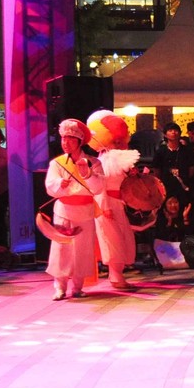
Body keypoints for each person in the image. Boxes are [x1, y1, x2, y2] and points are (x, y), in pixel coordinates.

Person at [45, 120, 106, 299]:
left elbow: (99, 187)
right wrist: (59, 184)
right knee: (61, 249)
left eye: (70, 139)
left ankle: (78, 287)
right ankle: (60, 287)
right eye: (63, 139)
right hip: (63, 209)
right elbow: (50, 186)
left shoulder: (93, 162)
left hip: (85, 210)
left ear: (80, 141)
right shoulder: (57, 164)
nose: (65, 143)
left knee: (82, 249)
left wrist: (88, 174)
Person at [84, 110, 141, 290]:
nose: (121, 142)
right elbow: (102, 185)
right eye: (117, 139)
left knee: (122, 238)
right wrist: (105, 206)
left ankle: (117, 275)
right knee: (113, 240)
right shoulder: (105, 160)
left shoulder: (116, 158)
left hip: (118, 203)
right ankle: (116, 277)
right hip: (106, 203)